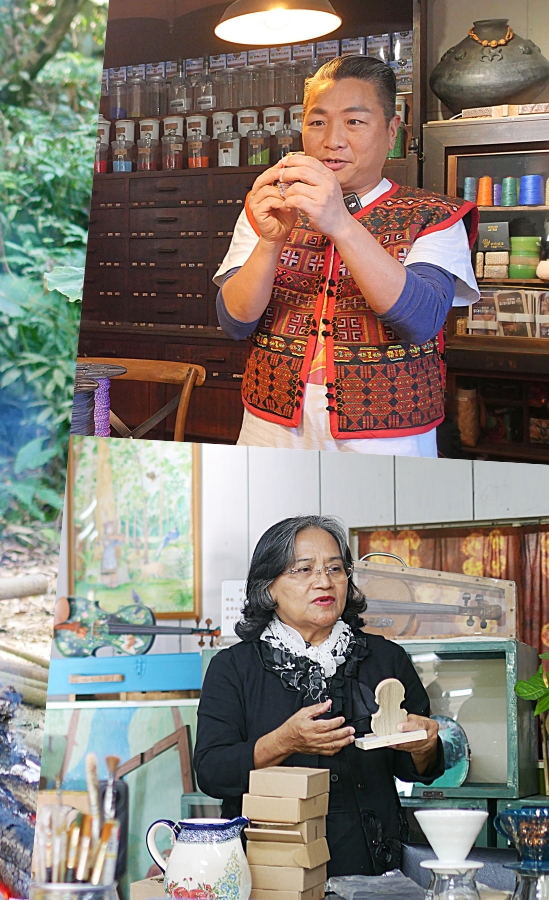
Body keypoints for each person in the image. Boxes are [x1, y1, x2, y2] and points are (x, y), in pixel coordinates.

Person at [214, 56, 479, 456]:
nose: (332, 139)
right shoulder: (270, 207)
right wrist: (270, 243)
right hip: (269, 427)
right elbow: (234, 321)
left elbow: (421, 319)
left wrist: (340, 223)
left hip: (388, 437)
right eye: (317, 122)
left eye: (355, 122)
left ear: (392, 132)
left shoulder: (434, 215)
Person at [193, 516, 444, 876]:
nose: (324, 581)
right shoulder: (233, 668)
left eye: (335, 569)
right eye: (303, 569)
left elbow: (417, 769)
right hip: (272, 869)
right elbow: (212, 773)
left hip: (376, 865)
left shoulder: (386, 658)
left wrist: (424, 747)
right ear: (269, 587)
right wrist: (283, 742)